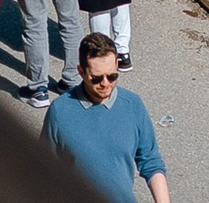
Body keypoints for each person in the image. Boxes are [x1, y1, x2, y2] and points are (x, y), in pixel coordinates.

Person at [41, 35, 168, 203]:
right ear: (81, 71)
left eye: (112, 76)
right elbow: (42, 168)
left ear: (116, 65)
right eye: (97, 78)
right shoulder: (60, 111)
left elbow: (151, 162)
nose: (105, 83)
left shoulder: (132, 105)